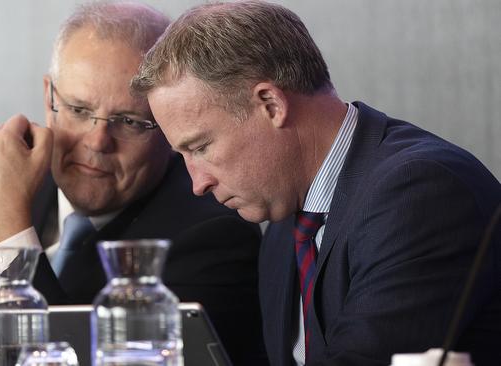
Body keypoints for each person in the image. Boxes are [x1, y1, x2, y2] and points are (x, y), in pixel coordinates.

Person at [0, 2, 267, 365]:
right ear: (49, 98)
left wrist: (7, 228)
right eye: (79, 110)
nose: (98, 142)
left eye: (130, 121)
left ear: (167, 124)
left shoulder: (216, 232)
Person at [130, 1, 501, 365]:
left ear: (271, 105)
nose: (198, 183)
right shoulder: (283, 219)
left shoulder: (422, 192)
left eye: (201, 147)